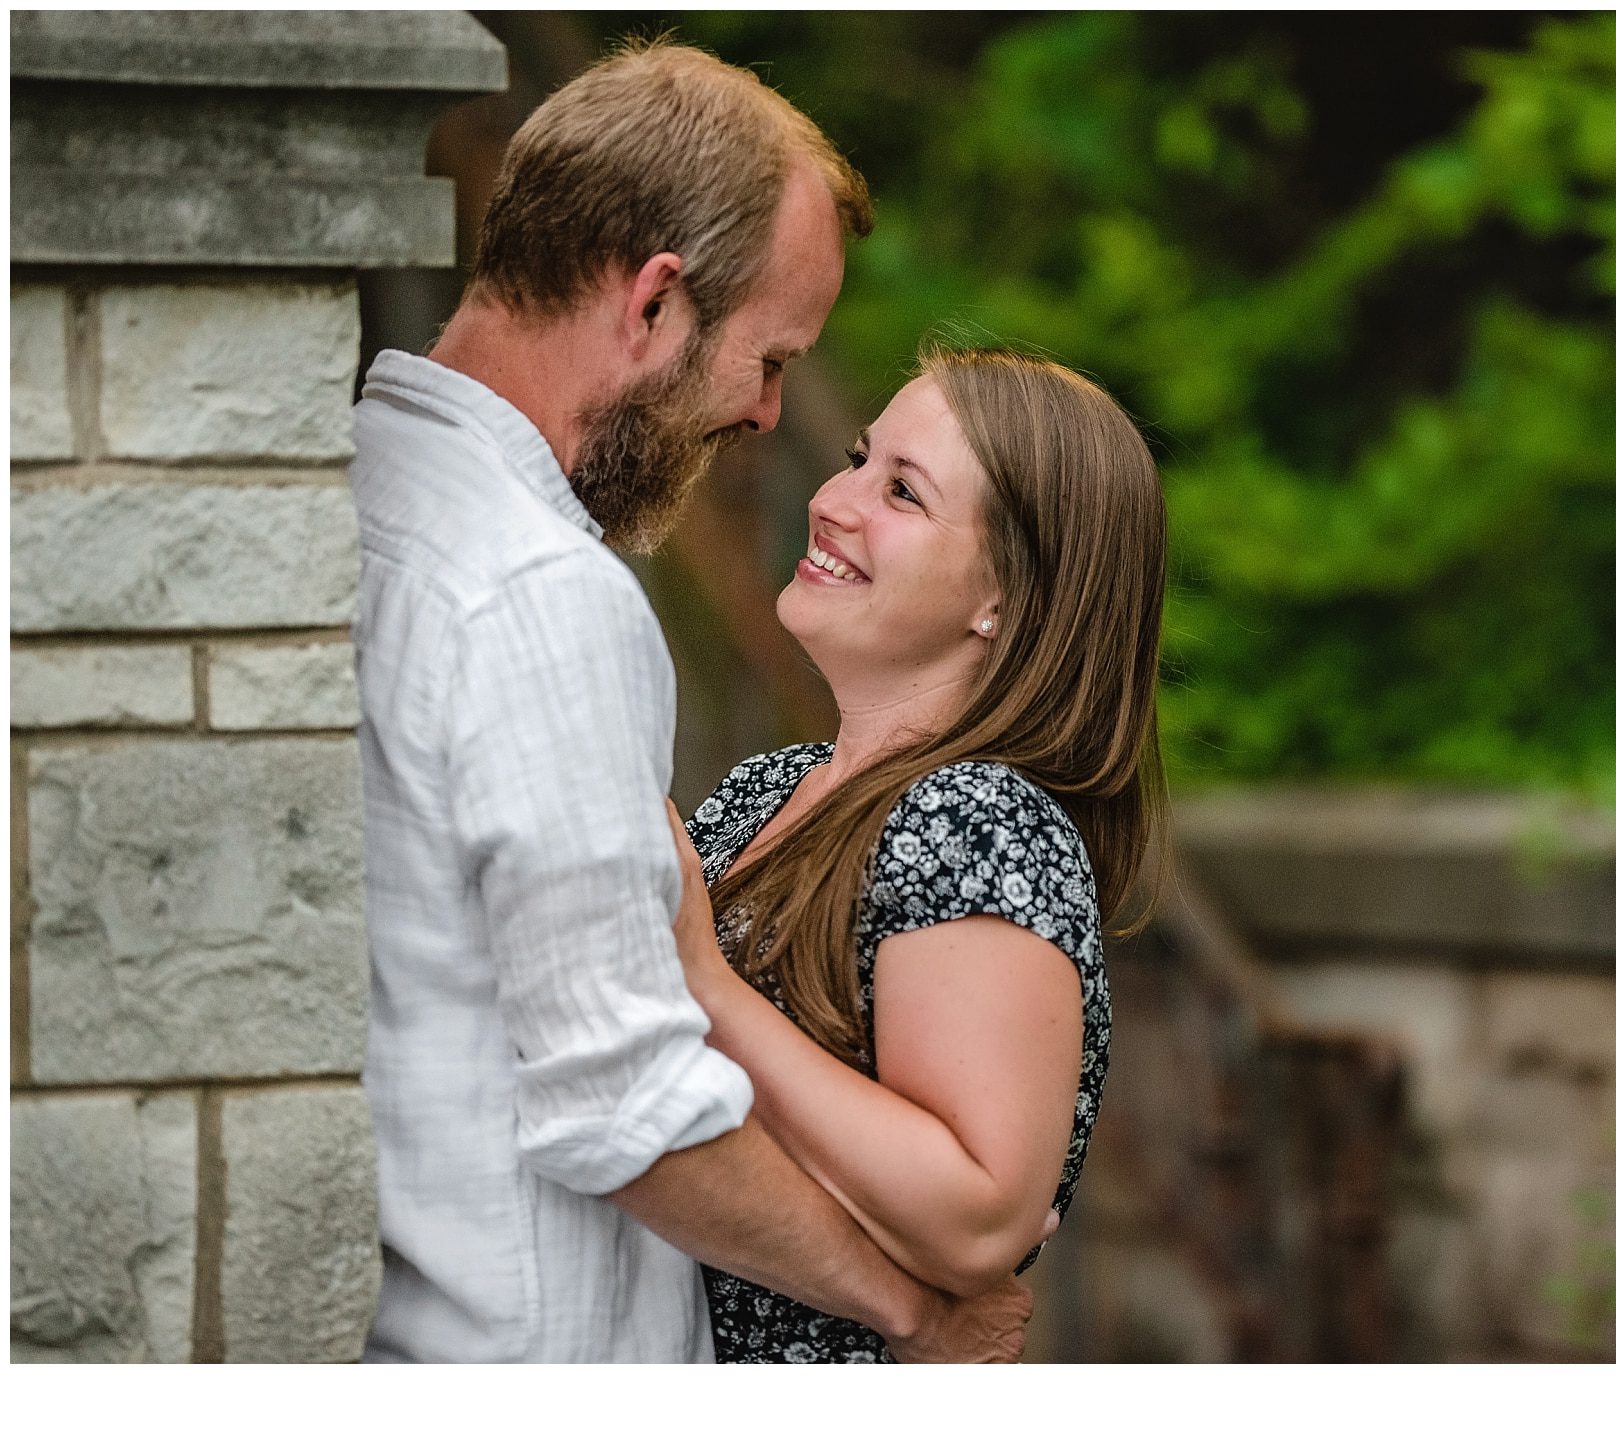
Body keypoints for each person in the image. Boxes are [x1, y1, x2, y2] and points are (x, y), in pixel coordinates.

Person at [348, 40, 1032, 1363]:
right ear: (655, 303)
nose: (771, 417)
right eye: (768, 358)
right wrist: (905, 1307)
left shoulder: (358, 491)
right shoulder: (542, 591)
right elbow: (621, 1101)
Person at [664, 345, 1167, 1362]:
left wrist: (706, 990)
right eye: (857, 458)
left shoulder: (978, 823)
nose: (831, 499)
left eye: (900, 491)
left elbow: (974, 1212)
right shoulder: (768, 788)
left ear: (1005, 596)